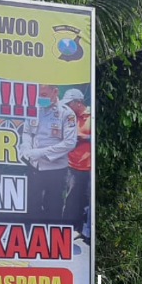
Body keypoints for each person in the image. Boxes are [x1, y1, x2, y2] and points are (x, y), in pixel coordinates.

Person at [18, 84, 77, 224]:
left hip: (55, 169)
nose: (40, 98)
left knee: (53, 207)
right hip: (34, 167)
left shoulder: (67, 113)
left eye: (43, 95)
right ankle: (31, 238)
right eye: (38, 95)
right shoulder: (35, 109)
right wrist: (25, 147)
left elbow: (69, 143)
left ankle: (53, 240)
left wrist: (40, 153)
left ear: (55, 91)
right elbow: (27, 132)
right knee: (32, 205)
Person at [60, 88, 91, 236]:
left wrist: (85, 138)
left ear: (78, 103)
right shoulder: (69, 117)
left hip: (89, 166)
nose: (66, 107)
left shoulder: (91, 116)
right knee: (71, 197)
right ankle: (66, 229)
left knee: (86, 199)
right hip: (72, 165)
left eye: (69, 104)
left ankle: (81, 230)